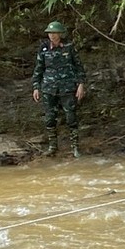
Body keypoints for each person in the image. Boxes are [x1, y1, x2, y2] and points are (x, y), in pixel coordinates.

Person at [31, 20, 86, 157]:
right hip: (49, 89)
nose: (52, 35)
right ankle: (52, 147)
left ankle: (75, 147)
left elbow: (79, 67)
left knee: (71, 117)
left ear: (60, 34)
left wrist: (81, 85)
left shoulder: (69, 47)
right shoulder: (44, 49)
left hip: (67, 88)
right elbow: (38, 69)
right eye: (50, 33)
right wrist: (36, 87)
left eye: (55, 33)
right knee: (50, 118)